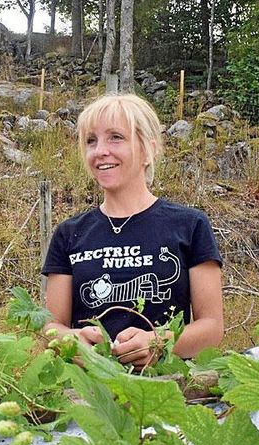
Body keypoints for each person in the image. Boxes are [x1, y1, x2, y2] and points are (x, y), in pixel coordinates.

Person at [41, 94, 224, 367]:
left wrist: (159, 342)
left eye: (115, 137)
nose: (100, 150)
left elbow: (211, 328)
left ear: (148, 149)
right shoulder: (69, 233)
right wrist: (71, 340)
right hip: (88, 393)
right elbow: (52, 325)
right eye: (91, 141)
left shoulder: (190, 225)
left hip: (167, 389)